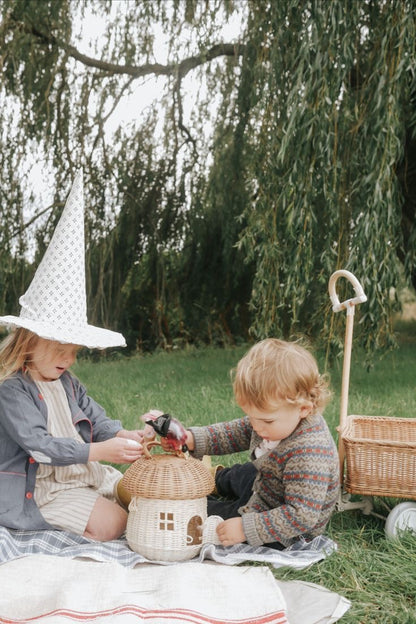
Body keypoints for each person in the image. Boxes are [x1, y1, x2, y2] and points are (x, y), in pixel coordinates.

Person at [0, 171, 147, 541]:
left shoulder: (66, 382)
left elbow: (96, 420)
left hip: (83, 473)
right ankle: (75, 521)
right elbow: (41, 447)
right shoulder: (12, 389)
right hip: (43, 489)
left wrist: (125, 436)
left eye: (74, 352)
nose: (68, 359)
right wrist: (100, 451)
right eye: (60, 349)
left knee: (142, 496)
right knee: (118, 525)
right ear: (30, 342)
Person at [178, 338, 340, 550]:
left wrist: (245, 528)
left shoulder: (309, 454)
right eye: (251, 417)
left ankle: (187, 505)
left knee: (209, 514)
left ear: (304, 409)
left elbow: (301, 516)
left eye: (265, 421)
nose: (256, 427)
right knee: (242, 473)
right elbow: (234, 433)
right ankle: (214, 478)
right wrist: (191, 439)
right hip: (268, 484)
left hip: (280, 527)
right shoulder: (274, 420)